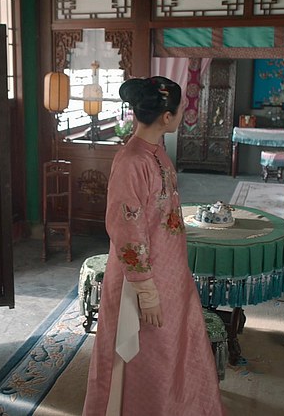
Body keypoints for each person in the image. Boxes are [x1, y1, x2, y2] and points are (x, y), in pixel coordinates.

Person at [83, 77, 226, 415]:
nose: (183, 114)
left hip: (171, 271)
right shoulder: (132, 161)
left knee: (175, 349)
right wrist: (146, 291)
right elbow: (127, 231)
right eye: (181, 109)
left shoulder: (157, 152)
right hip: (141, 280)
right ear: (167, 116)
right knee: (149, 355)